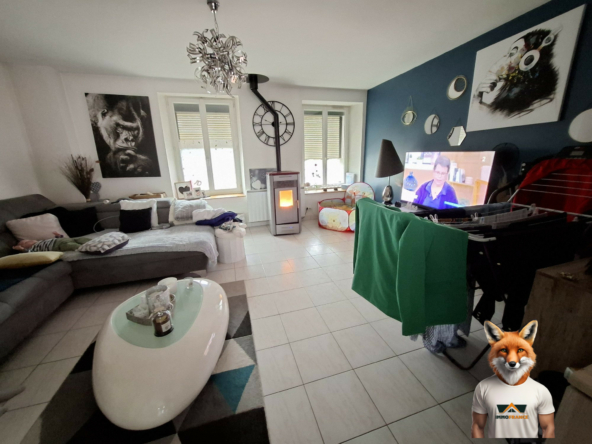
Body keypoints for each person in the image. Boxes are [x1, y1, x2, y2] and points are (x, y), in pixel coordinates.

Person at [12, 232, 91, 252]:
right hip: (57, 246)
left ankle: (93, 242)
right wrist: (21, 249)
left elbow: (57, 238)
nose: (30, 241)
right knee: (70, 245)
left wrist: (58, 236)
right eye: (26, 243)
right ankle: (85, 248)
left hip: (62, 240)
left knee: (80, 239)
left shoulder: (42, 241)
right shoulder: (34, 248)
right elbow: (29, 252)